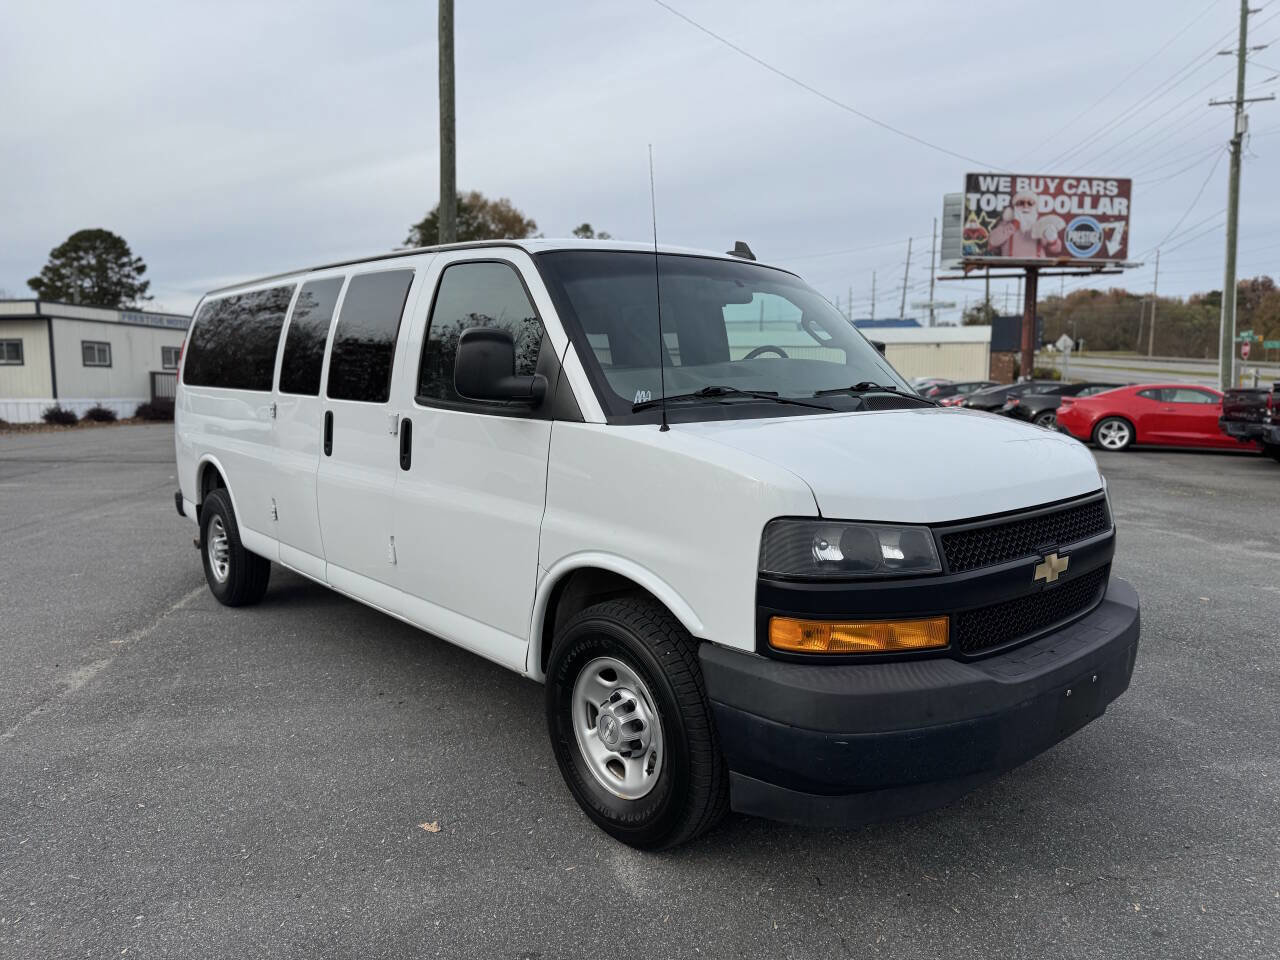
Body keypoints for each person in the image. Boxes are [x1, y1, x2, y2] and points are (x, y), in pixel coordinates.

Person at [987, 190, 1065, 258]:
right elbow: (992, 241)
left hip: (1036, 268)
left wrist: (1053, 240)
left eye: (1030, 203)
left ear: (1035, 206)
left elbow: (1056, 250)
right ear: (1014, 207)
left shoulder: (1042, 224)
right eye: (1021, 203)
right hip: (1010, 268)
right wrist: (1012, 226)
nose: (1025, 206)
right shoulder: (1005, 224)